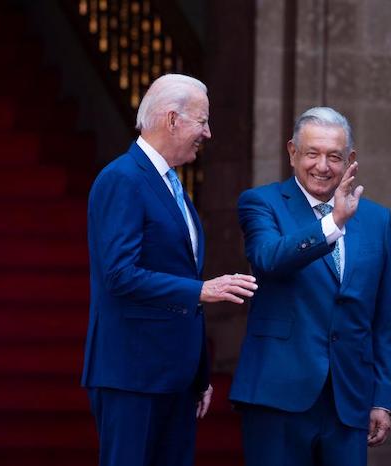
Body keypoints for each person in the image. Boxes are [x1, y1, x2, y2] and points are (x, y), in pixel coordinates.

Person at [81, 73, 258, 466]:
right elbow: (119, 275)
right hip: (132, 375)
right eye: (202, 121)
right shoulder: (122, 179)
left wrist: (197, 373)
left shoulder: (171, 184)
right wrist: (202, 291)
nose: (208, 133)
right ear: (173, 119)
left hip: (174, 377)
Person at [229, 106, 391, 466]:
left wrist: (382, 398)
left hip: (348, 400)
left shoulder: (376, 218)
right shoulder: (262, 203)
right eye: (312, 154)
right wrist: (333, 223)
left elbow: (384, 317)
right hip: (278, 394)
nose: (323, 166)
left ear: (350, 160)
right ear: (292, 152)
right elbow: (268, 258)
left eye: (334, 157)